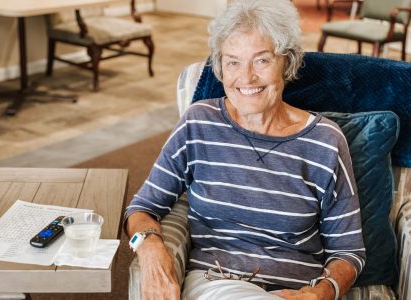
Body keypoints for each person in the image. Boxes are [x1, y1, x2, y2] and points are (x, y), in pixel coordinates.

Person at [124, 0, 366, 299]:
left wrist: (321, 292)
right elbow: (142, 208)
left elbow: (349, 251)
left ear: (286, 62)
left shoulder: (325, 141)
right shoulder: (199, 123)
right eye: (233, 62)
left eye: (262, 60)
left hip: (296, 291)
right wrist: (150, 248)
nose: (246, 77)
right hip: (218, 284)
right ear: (221, 68)